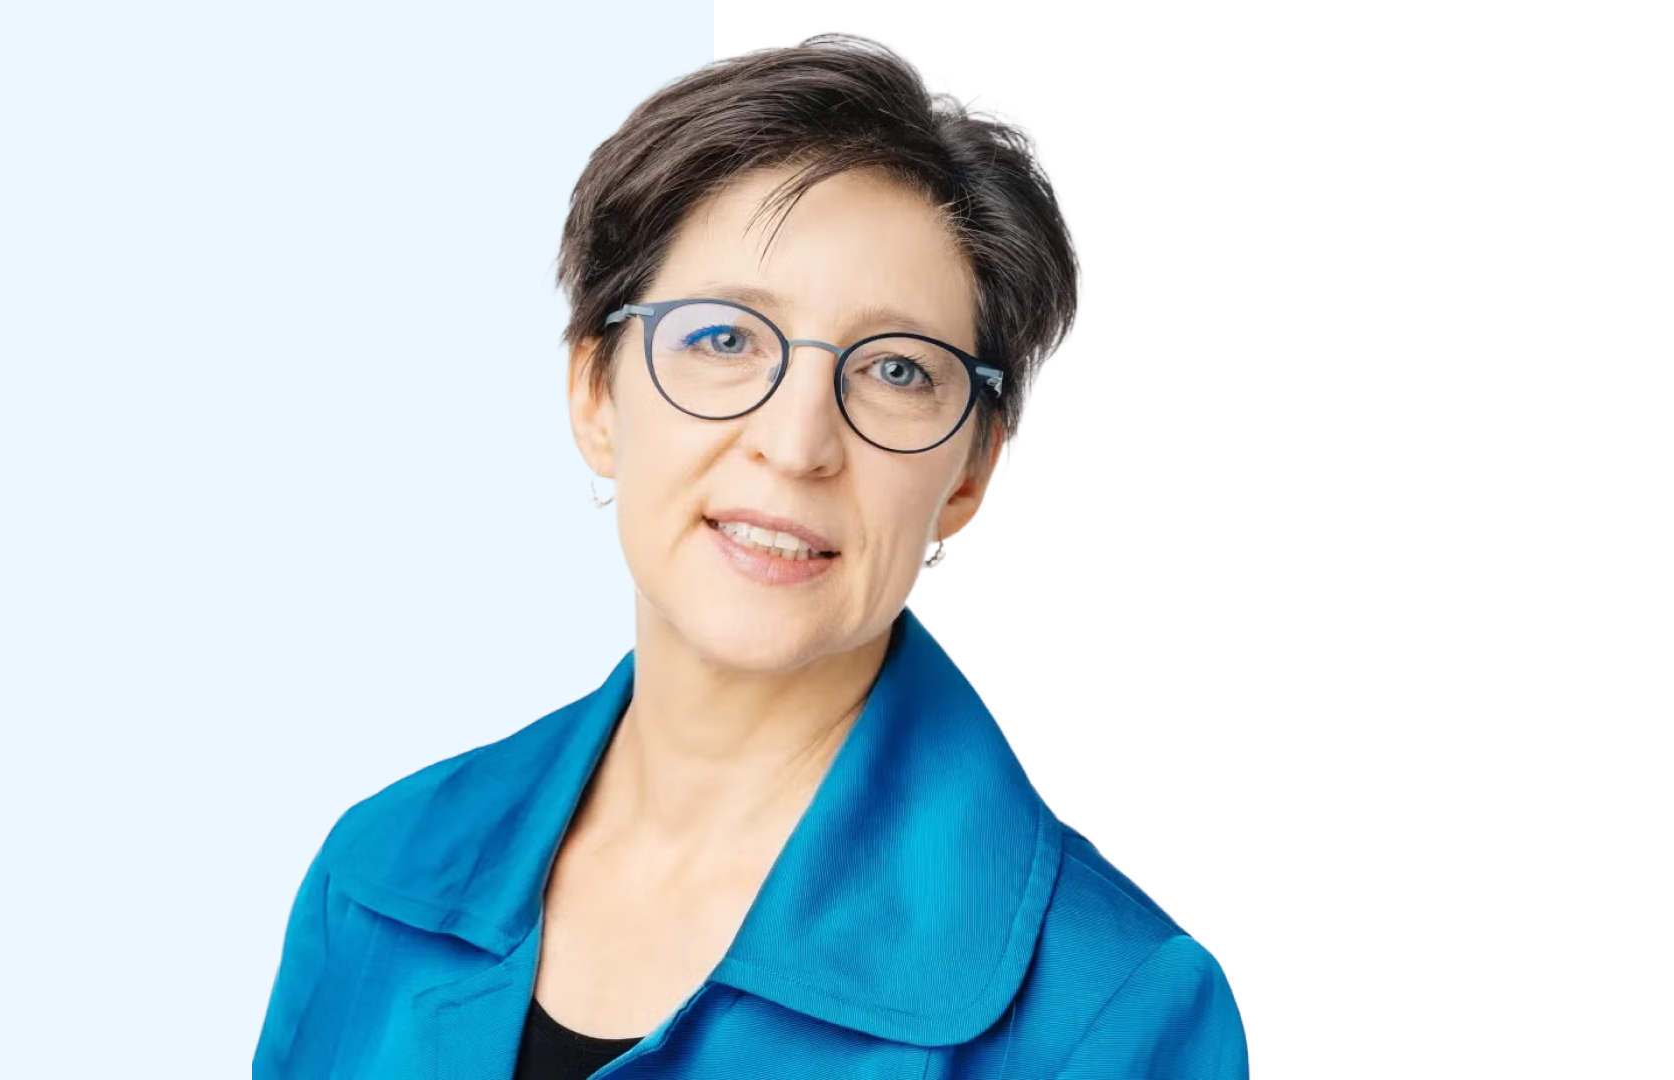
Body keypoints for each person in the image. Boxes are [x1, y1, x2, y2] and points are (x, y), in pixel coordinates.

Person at [254, 33, 1247, 1079]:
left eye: (897, 371)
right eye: (725, 339)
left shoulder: (1111, 1009)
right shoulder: (376, 879)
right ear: (596, 393)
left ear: (968, 471)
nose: (797, 443)